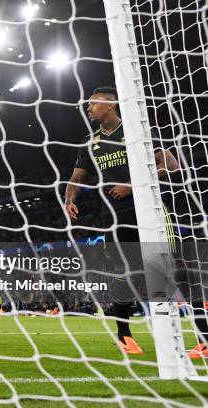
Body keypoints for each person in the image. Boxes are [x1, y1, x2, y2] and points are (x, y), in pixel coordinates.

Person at [64, 86, 190, 355]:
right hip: (116, 216)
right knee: (125, 273)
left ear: (110, 105)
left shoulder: (136, 130)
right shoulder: (91, 141)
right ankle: (124, 335)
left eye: (93, 104)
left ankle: (202, 338)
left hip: (150, 210)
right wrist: (69, 200)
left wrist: (132, 185)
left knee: (171, 268)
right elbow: (76, 178)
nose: (88, 108)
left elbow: (170, 165)